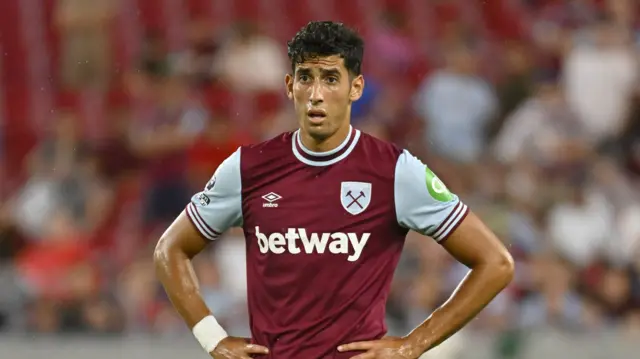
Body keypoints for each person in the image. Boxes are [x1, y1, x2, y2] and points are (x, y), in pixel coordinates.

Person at [154, 21, 514, 359]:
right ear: (288, 86)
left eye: (329, 79)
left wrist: (412, 345)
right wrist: (212, 337)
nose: (315, 94)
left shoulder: (395, 171)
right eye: (305, 78)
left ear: (355, 87)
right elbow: (170, 248)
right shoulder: (247, 168)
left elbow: (495, 263)